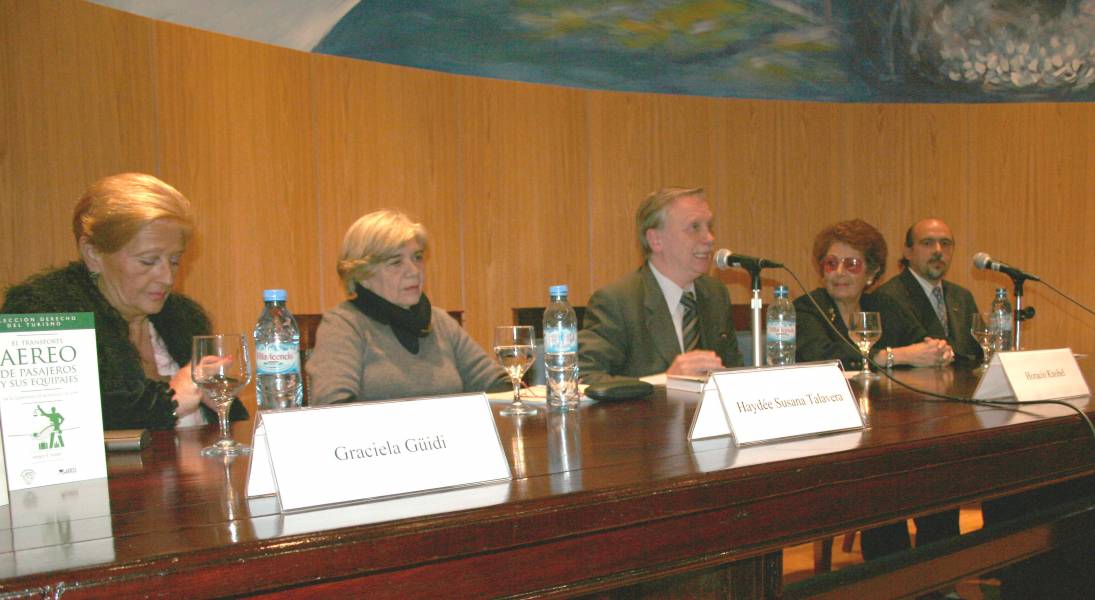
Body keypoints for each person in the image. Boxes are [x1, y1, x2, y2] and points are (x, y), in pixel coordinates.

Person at [2, 173, 247, 430]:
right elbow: (47, 423)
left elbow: (232, 431)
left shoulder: (182, 317)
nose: (167, 277)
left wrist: (219, 399)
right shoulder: (45, 314)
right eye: (148, 261)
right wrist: (170, 401)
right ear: (93, 253)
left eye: (174, 260)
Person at [795, 218, 957, 561]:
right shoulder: (808, 308)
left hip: (888, 428)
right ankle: (888, 581)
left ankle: (938, 576)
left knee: (938, 475)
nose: (839, 272)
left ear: (871, 273)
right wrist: (893, 356)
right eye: (831, 263)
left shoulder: (881, 306)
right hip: (834, 437)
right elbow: (822, 359)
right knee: (884, 484)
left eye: (851, 264)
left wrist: (936, 350)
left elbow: (922, 342)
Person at [307, 209, 508, 404]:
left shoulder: (439, 322)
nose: (414, 271)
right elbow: (332, 406)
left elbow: (499, 386)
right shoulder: (344, 324)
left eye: (417, 257)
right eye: (396, 262)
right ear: (362, 274)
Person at [578, 187, 741, 383]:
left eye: (709, 227)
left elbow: (732, 372)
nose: (709, 238)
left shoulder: (715, 294)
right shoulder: (617, 302)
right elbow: (585, 379)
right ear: (656, 240)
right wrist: (665, 380)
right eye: (695, 227)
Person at [877, 218, 982, 365]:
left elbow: (979, 352)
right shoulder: (888, 297)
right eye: (927, 243)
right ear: (908, 252)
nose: (938, 251)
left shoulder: (962, 297)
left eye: (945, 244)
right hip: (913, 386)